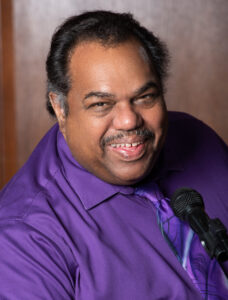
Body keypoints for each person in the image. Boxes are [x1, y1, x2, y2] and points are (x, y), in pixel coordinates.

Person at [0, 10, 228, 300]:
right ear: (61, 109)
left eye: (145, 97)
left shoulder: (199, 139)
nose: (129, 121)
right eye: (101, 104)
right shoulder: (22, 239)